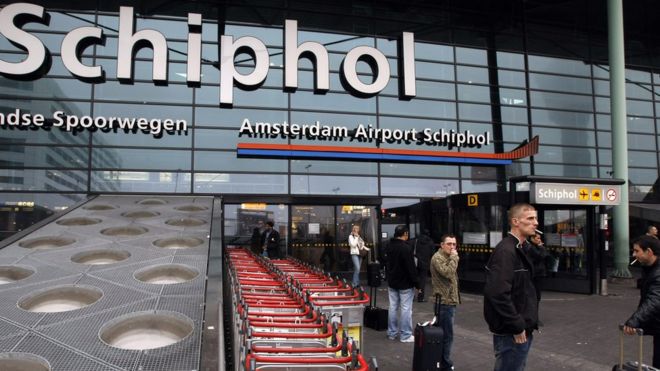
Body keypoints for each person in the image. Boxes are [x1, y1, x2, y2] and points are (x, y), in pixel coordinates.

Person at [484, 203, 539, 371]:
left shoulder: (520, 248)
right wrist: (517, 325)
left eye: (535, 218)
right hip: (512, 332)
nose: (535, 223)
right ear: (515, 221)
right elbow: (497, 293)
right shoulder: (506, 251)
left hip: (521, 328)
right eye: (530, 218)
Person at [623, 235, 660, 368]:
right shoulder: (650, 268)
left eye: (637, 251)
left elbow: (655, 300)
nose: (634, 254)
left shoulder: (657, 273)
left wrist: (635, 320)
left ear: (649, 252)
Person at [385, 225, 420, 343]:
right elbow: (411, 268)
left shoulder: (388, 246)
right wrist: (417, 284)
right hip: (405, 283)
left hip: (392, 282)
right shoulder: (406, 248)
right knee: (406, 309)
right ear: (405, 234)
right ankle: (405, 335)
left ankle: (392, 333)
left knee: (392, 307)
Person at [430, 234, 460, 371]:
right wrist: (455, 257)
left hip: (449, 302)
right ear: (442, 245)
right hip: (444, 303)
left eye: (454, 244)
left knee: (445, 335)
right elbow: (448, 273)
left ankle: (441, 362)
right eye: (449, 244)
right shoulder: (438, 258)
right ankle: (445, 365)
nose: (452, 247)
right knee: (447, 336)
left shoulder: (447, 257)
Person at [526, 230, 547, 304]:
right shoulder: (531, 247)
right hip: (535, 273)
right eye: (538, 238)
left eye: (539, 238)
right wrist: (541, 247)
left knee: (537, 293)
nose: (540, 240)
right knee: (535, 293)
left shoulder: (535, 246)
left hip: (538, 273)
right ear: (532, 238)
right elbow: (541, 256)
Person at [414, 229, 435, 302]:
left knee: (414, 278)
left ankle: (412, 296)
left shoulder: (417, 241)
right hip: (425, 263)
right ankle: (420, 297)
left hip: (416, 262)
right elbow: (433, 254)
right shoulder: (430, 242)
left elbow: (414, 251)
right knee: (422, 281)